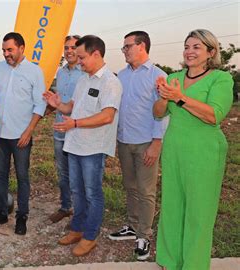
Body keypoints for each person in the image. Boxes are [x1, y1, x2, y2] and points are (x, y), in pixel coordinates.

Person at [153, 29, 233, 270]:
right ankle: (170, 261)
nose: (189, 51)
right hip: (175, 149)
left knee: (199, 212)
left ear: (211, 52)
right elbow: (157, 113)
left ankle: (194, 265)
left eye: (196, 47)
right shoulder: (174, 76)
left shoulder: (220, 79)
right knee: (172, 206)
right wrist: (165, 97)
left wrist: (179, 97)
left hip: (204, 152)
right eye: (187, 46)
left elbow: (214, 115)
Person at [44, 35, 122, 256]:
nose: (79, 62)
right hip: (75, 144)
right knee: (77, 190)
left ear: (96, 54)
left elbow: (107, 116)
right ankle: (77, 228)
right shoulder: (83, 80)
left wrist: (75, 123)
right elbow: (72, 108)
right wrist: (58, 104)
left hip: (93, 148)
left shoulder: (110, 82)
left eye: (82, 57)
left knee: (92, 193)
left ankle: (90, 236)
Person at [108, 31, 167, 261]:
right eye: (123, 47)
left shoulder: (158, 76)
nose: (124, 51)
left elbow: (164, 114)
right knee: (130, 186)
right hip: (124, 141)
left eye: (127, 46)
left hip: (146, 143)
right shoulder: (121, 76)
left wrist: (156, 143)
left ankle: (144, 235)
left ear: (141, 46)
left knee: (146, 191)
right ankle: (132, 226)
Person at [0, 32, 46, 235]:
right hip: (0, 133)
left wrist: (29, 131)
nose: (6, 54)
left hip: (21, 135)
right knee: (0, 175)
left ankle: (22, 216)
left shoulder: (34, 72)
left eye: (9, 50)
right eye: (3, 50)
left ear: (21, 48)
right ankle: (1, 212)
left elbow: (40, 105)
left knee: (22, 176)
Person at [47, 35, 84, 224]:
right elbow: (60, 101)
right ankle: (65, 207)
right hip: (60, 130)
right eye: (66, 47)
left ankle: (80, 212)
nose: (69, 51)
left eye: (73, 47)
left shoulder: (86, 73)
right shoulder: (60, 73)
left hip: (79, 132)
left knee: (78, 174)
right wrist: (48, 107)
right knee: (63, 173)